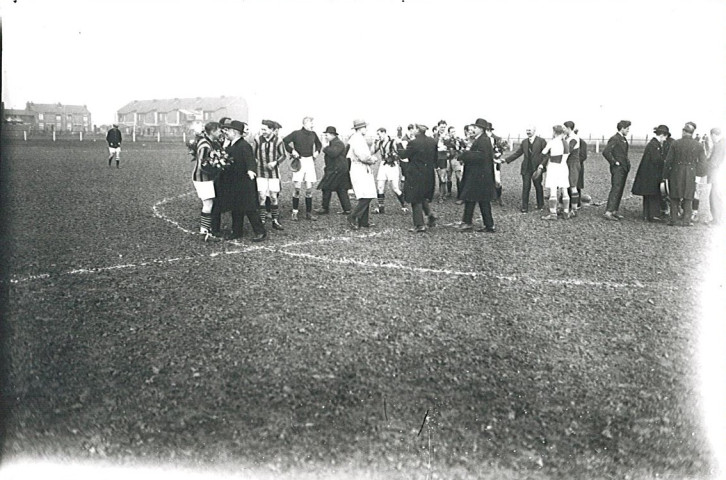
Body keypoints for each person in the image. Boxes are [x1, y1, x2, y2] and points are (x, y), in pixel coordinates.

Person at [213, 119, 267, 241]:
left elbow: (251, 161)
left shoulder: (244, 145)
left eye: (228, 130)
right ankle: (237, 231)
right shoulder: (232, 145)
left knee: (250, 208)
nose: (226, 132)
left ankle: (260, 232)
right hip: (234, 183)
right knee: (236, 208)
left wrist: (251, 170)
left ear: (235, 132)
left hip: (245, 183)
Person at [457, 118, 497, 232]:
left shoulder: (483, 140)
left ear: (481, 129)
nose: (473, 129)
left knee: (481, 200)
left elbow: (481, 156)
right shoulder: (480, 139)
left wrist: (465, 154)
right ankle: (468, 221)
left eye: (475, 127)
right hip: (477, 175)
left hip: (479, 176)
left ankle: (488, 225)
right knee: (472, 199)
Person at [663, 122, 706, 226]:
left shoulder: (675, 143)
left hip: (676, 171)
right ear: (692, 133)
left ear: (683, 132)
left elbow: (668, 160)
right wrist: (699, 175)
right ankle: (686, 221)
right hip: (691, 172)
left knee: (674, 196)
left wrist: (665, 175)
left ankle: (673, 220)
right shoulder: (699, 145)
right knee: (688, 196)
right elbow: (702, 162)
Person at [399, 124, 437, 233]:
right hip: (429, 173)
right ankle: (430, 215)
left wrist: (399, 145)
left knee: (415, 198)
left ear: (417, 131)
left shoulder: (413, 142)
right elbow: (435, 158)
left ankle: (419, 225)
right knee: (423, 196)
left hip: (415, 173)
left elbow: (404, 155)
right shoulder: (432, 141)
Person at [283, 116, 323, 220]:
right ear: (305, 123)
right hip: (299, 161)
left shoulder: (313, 134)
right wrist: (292, 151)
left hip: (309, 161)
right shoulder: (296, 133)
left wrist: (317, 152)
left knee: (309, 189)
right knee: (297, 188)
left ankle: (308, 213)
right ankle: (294, 212)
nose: (313, 125)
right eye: (311, 123)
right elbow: (285, 141)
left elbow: (319, 145)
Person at [191, 121, 225, 241]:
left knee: (209, 203)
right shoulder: (205, 145)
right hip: (202, 178)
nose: (221, 133)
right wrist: (216, 169)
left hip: (204, 178)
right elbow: (203, 165)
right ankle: (204, 232)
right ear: (213, 131)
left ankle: (206, 230)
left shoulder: (208, 142)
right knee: (208, 204)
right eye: (219, 130)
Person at [503, 125, 547, 212]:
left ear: (534, 130)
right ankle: (524, 207)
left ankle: (540, 205)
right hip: (526, 168)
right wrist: (506, 160)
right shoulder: (524, 142)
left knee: (538, 186)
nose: (528, 132)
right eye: (527, 130)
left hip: (537, 168)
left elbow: (546, 155)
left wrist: (542, 165)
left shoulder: (541, 141)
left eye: (530, 130)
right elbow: (518, 153)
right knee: (526, 187)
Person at [631, 125, 669, 222]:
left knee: (648, 195)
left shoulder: (652, 144)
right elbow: (656, 160)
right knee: (653, 194)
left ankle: (646, 215)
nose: (665, 140)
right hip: (651, 175)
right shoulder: (654, 145)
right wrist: (665, 161)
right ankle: (653, 216)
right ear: (661, 135)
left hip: (647, 175)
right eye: (665, 137)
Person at [253, 120, 286, 231]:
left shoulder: (278, 141)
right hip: (260, 173)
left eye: (265, 129)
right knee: (262, 196)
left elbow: (283, 155)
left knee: (273, 196)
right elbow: (253, 155)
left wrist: (275, 163)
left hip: (273, 174)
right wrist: (256, 161)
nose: (263, 132)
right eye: (262, 129)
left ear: (271, 130)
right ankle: (262, 221)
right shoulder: (257, 140)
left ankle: (275, 221)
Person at [346, 119, 378, 230]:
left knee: (367, 194)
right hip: (359, 167)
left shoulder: (357, 138)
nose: (366, 129)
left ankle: (363, 221)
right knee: (366, 195)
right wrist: (373, 159)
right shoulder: (357, 139)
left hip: (360, 167)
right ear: (360, 128)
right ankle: (353, 216)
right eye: (364, 127)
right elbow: (363, 157)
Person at [537, 125, 572, 220]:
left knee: (553, 191)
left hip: (554, 167)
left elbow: (543, 153)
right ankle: (566, 212)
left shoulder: (552, 142)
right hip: (564, 167)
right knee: (564, 190)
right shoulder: (566, 143)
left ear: (555, 132)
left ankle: (553, 213)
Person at [316, 126, 352, 215]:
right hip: (339, 169)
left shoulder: (338, 143)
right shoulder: (335, 143)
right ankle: (347, 209)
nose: (326, 137)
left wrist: (324, 147)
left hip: (337, 170)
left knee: (326, 187)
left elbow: (333, 153)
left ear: (332, 135)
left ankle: (325, 208)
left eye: (327, 135)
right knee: (341, 189)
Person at [372, 127, 408, 214]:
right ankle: (381, 207)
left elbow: (402, 153)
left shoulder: (393, 141)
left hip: (392, 165)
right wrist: (374, 142)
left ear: (384, 133)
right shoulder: (379, 142)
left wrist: (397, 156)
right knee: (380, 186)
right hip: (383, 164)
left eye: (379, 134)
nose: (378, 136)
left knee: (395, 188)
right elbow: (372, 151)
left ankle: (404, 206)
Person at [602, 120, 632, 220]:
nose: (628, 131)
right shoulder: (615, 138)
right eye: (627, 129)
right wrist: (614, 162)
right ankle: (609, 212)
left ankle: (614, 210)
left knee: (620, 189)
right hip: (618, 169)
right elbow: (606, 152)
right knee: (616, 188)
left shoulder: (623, 139)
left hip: (624, 168)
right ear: (622, 128)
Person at [485, 123, 506, 206]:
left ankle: (499, 197)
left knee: (497, 180)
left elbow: (501, 150)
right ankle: (487, 196)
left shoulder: (497, 139)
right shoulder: (482, 139)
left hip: (494, 162)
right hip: (485, 162)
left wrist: (498, 154)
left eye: (487, 130)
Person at [563, 121, 581, 214]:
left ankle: (574, 210)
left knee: (573, 186)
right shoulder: (566, 137)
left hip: (573, 164)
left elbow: (568, 150)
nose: (563, 129)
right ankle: (563, 207)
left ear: (569, 128)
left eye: (564, 128)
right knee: (565, 185)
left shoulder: (574, 138)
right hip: (567, 163)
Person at [708, 127, 725, 225]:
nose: (712, 138)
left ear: (714, 135)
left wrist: (705, 165)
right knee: (717, 196)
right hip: (721, 175)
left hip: (717, 174)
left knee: (714, 197)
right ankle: (718, 219)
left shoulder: (719, 145)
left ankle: (717, 220)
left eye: (712, 136)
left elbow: (714, 162)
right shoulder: (723, 143)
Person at [444, 125, 466, 202]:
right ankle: (449, 192)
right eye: (452, 132)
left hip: (456, 159)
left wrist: (459, 148)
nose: (453, 133)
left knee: (458, 176)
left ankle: (460, 195)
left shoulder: (458, 139)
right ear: (449, 133)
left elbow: (463, 146)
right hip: (448, 159)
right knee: (448, 176)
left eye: (454, 131)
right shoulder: (446, 140)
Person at [433, 120, 450, 202]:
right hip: (436, 159)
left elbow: (450, 146)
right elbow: (433, 146)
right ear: (438, 127)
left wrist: (446, 144)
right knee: (438, 177)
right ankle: (443, 193)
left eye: (444, 127)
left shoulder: (447, 136)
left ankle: (441, 195)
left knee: (442, 178)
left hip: (443, 158)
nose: (442, 129)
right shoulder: (435, 136)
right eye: (441, 127)